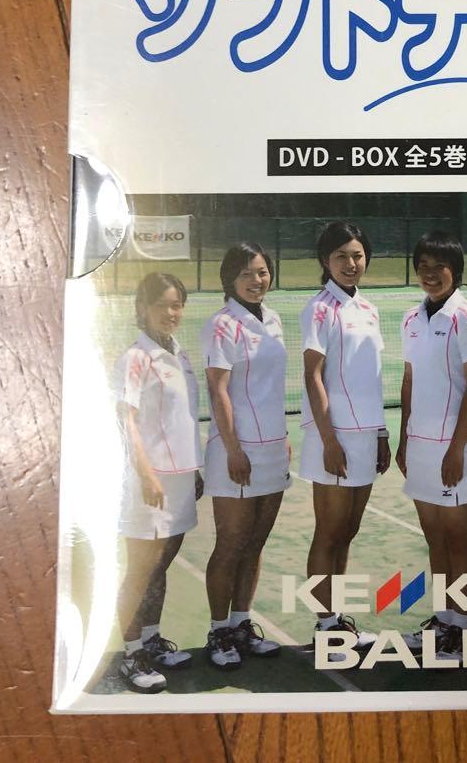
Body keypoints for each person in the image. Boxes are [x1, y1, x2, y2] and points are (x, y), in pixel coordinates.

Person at [397, 232, 467, 662]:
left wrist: (456, 449)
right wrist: (404, 439)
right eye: (423, 267)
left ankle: (461, 627)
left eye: (439, 267)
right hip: (420, 445)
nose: (430, 275)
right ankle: (442, 619)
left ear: (456, 271)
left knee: (459, 538)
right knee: (434, 537)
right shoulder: (411, 319)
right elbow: (409, 380)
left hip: (459, 447)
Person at [299, 221, 388, 656]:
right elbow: (312, 375)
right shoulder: (319, 309)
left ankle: (337, 620)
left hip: (366, 435)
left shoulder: (369, 309)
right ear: (325, 261)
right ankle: (325, 627)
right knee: (329, 532)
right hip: (333, 438)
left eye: (357, 255)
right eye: (341, 256)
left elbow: (372, 377)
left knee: (348, 532)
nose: (350, 264)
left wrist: (382, 432)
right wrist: (329, 440)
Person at [113, 272, 203, 693]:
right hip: (149, 482)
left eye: (177, 304)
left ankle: (151, 639)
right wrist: (146, 473)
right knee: (140, 570)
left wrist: (193, 469)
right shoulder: (135, 357)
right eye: (162, 305)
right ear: (143, 308)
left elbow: (181, 419)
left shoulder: (179, 354)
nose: (171, 312)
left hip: (180, 481)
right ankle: (131, 654)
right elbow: (126, 421)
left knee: (160, 565)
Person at [200, 242, 288, 669]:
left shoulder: (273, 319)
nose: (257, 280)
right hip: (236, 451)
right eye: (247, 274)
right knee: (231, 544)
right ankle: (219, 632)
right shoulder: (221, 325)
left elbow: (272, 387)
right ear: (230, 279)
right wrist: (234, 448)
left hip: (273, 448)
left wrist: (282, 435)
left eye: (262, 272)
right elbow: (218, 391)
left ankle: (241, 625)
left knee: (255, 543)